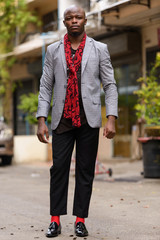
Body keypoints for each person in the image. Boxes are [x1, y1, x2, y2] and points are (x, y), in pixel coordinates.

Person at [36, 5, 118, 238]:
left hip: (88, 118)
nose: (74, 21)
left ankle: (80, 220)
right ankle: (55, 220)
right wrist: (41, 119)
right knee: (58, 168)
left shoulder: (100, 49)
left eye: (78, 17)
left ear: (85, 21)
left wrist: (111, 118)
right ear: (64, 22)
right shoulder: (53, 50)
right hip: (62, 118)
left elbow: (110, 85)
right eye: (69, 18)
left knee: (85, 170)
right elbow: (45, 86)